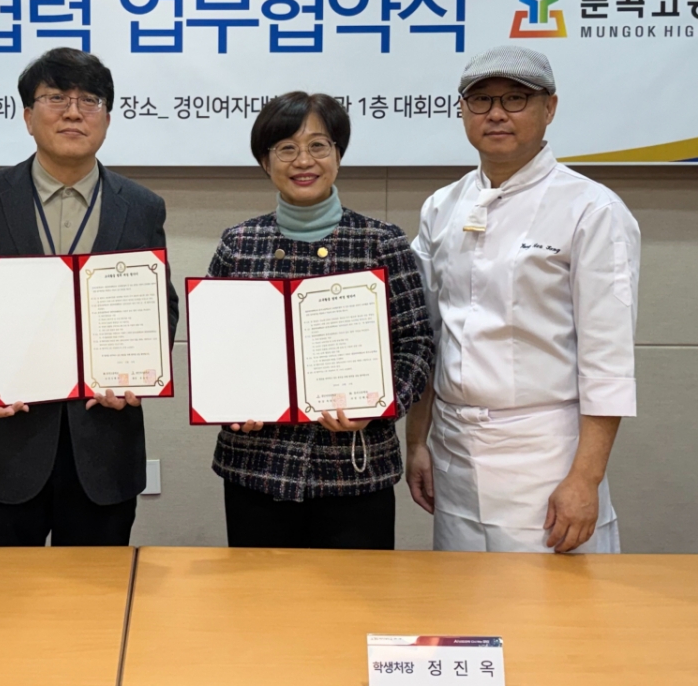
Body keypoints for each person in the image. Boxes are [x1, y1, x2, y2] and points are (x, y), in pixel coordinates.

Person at [0, 47, 179, 547]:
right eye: (56, 98)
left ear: (108, 118)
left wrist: (138, 370)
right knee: (3, 592)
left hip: (104, 447)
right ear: (27, 116)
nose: (73, 112)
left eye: (90, 100)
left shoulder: (141, 207)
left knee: (97, 595)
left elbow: (159, 304)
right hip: (5, 446)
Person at [406, 45, 640, 554]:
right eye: (481, 100)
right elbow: (427, 333)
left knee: (552, 603)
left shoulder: (592, 209)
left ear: (549, 107)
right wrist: (417, 441)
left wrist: (586, 478)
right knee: (460, 601)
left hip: (546, 459)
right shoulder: (442, 206)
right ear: (462, 110)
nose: (496, 113)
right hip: (453, 453)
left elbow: (608, 358)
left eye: (515, 99)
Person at [205, 92, 434, 549]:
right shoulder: (239, 243)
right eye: (286, 148)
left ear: (338, 155)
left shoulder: (380, 242)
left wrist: (380, 404)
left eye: (318, 146)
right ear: (265, 161)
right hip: (257, 467)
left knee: (355, 593)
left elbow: (417, 344)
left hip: (354, 468)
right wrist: (230, 406)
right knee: (258, 591)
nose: (303, 160)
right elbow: (216, 348)